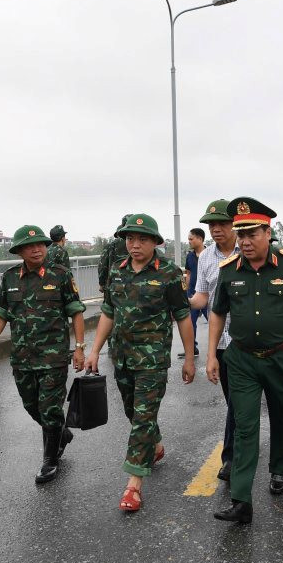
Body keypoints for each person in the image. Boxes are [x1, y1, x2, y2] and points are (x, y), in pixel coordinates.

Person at [208, 197, 283, 524]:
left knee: (282, 417)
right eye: (240, 235)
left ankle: (279, 470)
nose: (245, 242)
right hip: (242, 360)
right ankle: (241, 500)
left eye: (252, 234)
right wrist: (211, 355)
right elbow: (218, 313)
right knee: (245, 426)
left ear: (267, 232)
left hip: (281, 359)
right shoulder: (229, 272)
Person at [84, 214, 195, 512]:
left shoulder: (169, 273)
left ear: (155, 242)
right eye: (130, 239)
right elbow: (108, 312)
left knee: (143, 418)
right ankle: (155, 445)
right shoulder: (117, 272)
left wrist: (189, 357)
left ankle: (133, 485)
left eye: (142, 239)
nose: (135, 245)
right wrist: (95, 351)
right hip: (121, 356)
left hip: (153, 360)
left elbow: (183, 316)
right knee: (133, 411)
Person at [0, 225, 86, 483]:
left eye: (40, 244)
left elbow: (76, 311)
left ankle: (50, 459)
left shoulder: (60, 275)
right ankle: (60, 431)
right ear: (19, 251)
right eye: (29, 246)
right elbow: (0, 313)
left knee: (49, 407)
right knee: (31, 406)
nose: (36, 249)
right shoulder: (11, 278)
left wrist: (80, 348)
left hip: (53, 356)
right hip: (22, 356)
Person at [189, 200, 240, 480]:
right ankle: (241, 447)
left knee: (237, 402)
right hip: (221, 343)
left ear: (234, 224)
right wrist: (178, 305)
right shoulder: (206, 257)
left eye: (222, 223)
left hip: (248, 341)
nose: (216, 229)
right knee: (233, 401)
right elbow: (202, 297)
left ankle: (231, 458)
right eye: (212, 224)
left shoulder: (246, 250)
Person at [182, 227, 207, 358]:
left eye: (191, 239)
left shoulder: (210, 254)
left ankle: (222, 350)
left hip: (208, 295)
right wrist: (185, 291)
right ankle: (192, 349)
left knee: (216, 322)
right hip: (192, 294)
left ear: (200, 239)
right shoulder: (190, 256)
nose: (189, 242)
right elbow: (188, 274)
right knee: (190, 324)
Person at [98, 215, 130, 292]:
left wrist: (102, 284)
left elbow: (102, 266)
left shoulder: (111, 245)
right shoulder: (143, 245)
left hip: (114, 285)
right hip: (135, 285)